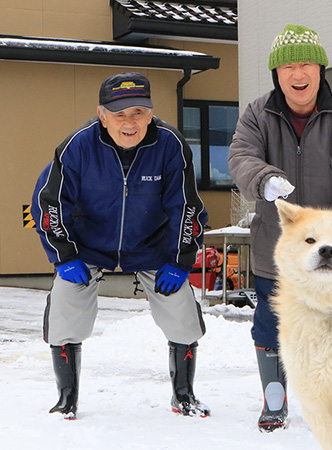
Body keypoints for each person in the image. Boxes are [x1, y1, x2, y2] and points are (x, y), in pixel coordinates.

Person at [32, 72, 210, 419]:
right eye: (119, 114)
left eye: (139, 112)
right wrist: (64, 256)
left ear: (151, 112)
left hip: (152, 246)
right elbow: (50, 204)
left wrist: (180, 260)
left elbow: (186, 207)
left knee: (183, 313)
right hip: (88, 247)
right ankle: (66, 397)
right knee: (65, 311)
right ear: (102, 114)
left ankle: (183, 394)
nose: (130, 123)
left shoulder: (170, 144)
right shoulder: (78, 146)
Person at [227, 23, 332, 432]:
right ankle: (274, 400)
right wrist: (264, 178)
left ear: (320, 69)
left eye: (307, 64)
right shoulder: (258, 114)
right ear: (277, 73)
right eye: (289, 66)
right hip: (275, 249)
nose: (299, 74)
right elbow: (240, 157)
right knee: (271, 324)